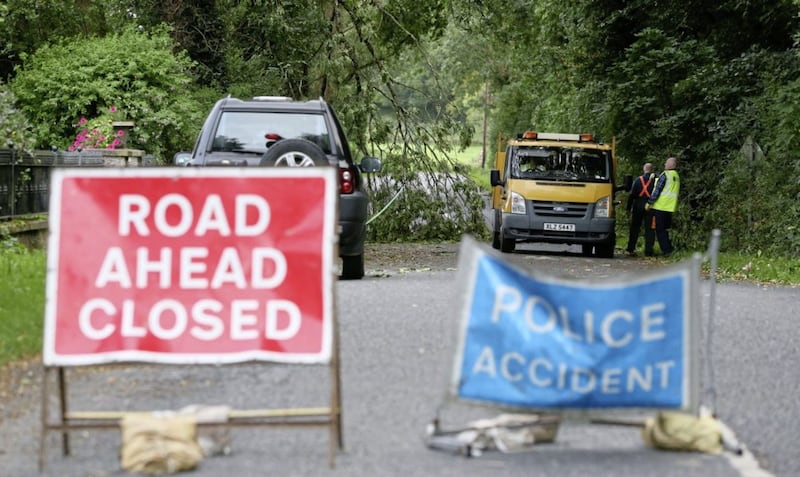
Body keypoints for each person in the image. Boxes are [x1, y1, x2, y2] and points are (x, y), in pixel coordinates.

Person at [646, 157, 680, 257]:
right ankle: (669, 249)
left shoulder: (665, 175)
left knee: (659, 230)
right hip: (670, 208)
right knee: (665, 230)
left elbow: (658, 190)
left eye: (666, 163)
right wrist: (656, 175)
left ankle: (667, 251)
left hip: (660, 207)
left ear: (670, 165)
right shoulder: (676, 176)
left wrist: (649, 202)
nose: (664, 164)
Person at [625, 162, 655, 256]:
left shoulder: (638, 180)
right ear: (652, 170)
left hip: (638, 204)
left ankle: (631, 248)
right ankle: (648, 251)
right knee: (649, 229)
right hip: (650, 205)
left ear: (644, 169)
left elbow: (632, 195)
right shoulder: (655, 181)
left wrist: (628, 208)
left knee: (635, 227)